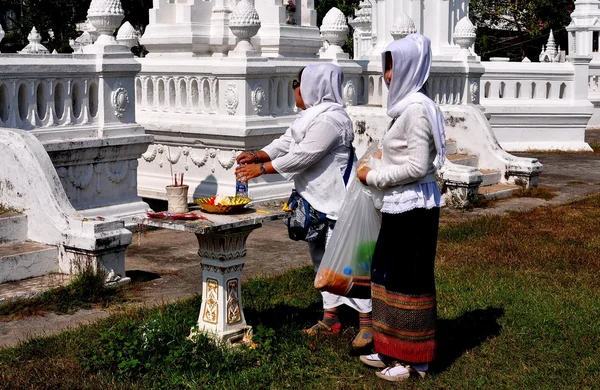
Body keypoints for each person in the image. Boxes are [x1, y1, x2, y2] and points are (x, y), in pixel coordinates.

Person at [235, 63, 373, 349]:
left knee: (349, 262)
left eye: (297, 83)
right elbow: (286, 142)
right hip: (316, 199)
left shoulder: (331, 121)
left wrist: (262, 169)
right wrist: (256, 154)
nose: (295, 89)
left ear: (313, 86)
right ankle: (331, 316)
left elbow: (304, 155)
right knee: (321, 258)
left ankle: (367, 322)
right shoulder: (310, 116)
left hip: (338, 201)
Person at [356, 34, 446, 381]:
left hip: (414, 208)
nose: (387, 74)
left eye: (392, 65)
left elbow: (418, 167)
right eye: (386, 65)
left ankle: (413, 360)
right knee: (387, 271)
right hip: (399, 205)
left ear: (410, 66)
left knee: (410, 278)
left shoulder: (417, 110)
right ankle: (390, 346)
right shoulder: (405, 109)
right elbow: (404, 157)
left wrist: (374, 176)